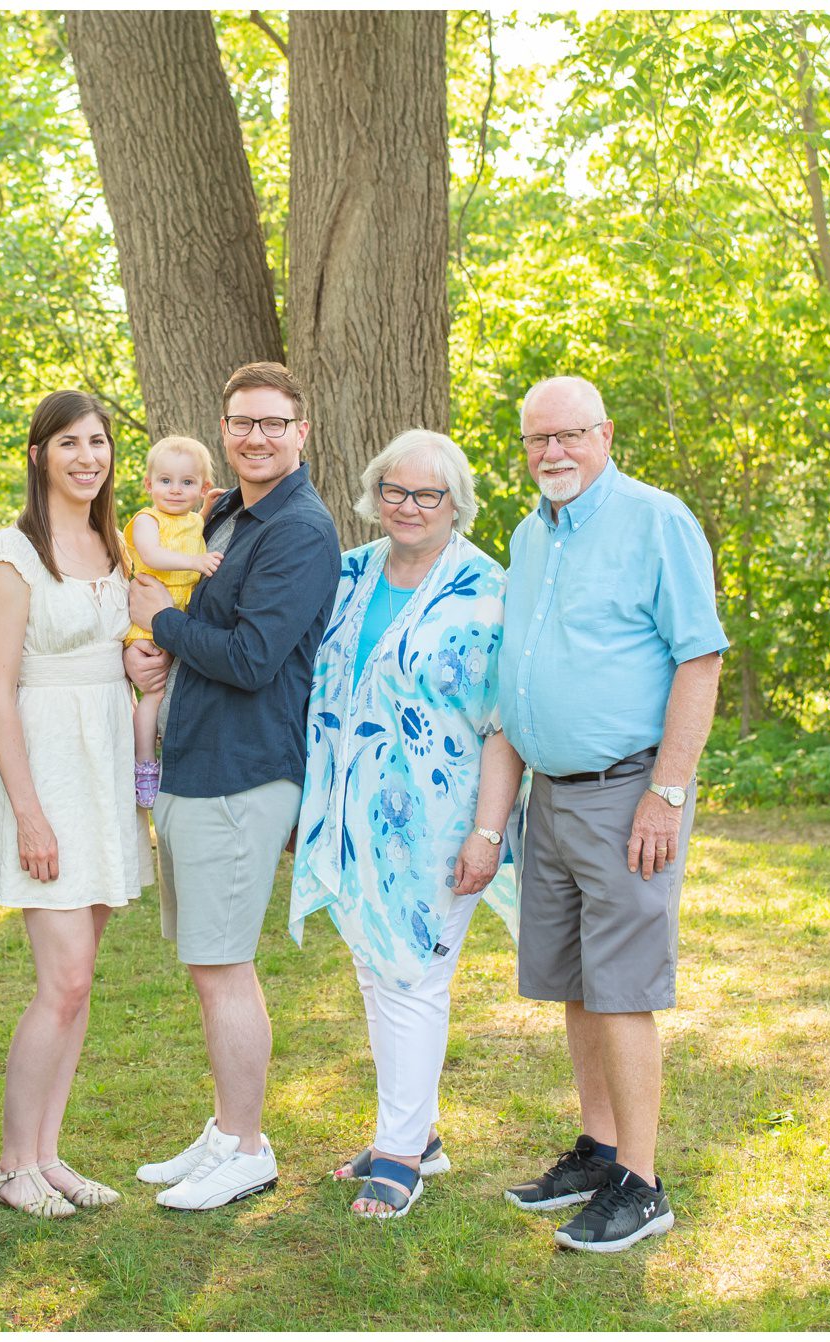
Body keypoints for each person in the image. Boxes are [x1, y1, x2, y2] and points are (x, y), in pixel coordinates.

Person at [496, 375, 726, 1253]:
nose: (552, 453)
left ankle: (642, 1181)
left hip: (629, 791)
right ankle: (598, 1149)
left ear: (606, 434)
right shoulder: (530, 533)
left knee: (623, 989)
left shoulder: (656, 520)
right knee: (576, 983)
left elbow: (698, 659)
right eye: (536, 440)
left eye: (570, 435)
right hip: (550, 796)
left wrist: (666, 792)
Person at [287, 428, 523, 1220]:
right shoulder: (350, 572)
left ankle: (399, 1159)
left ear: (456, 504)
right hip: (354, 815)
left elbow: (503, 723)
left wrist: (486, 833)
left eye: (427, 494)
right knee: (373, 966)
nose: (409, 506)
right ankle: (416, 1133)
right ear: (375, 495)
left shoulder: (487, 589)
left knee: (414, 975)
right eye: (395, 490)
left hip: (440, 820)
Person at [125, 361, 340, 1211]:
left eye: (272, 423)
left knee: (224, 965)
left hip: (243, 771)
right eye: (241, 422)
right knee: (206, 962)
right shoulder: (223, 515)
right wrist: (160, 645)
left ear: (301, 432)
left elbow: (253, 659)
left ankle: (248, 1147)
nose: (255, 435)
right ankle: (223, 1130)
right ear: (224, 432)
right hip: (194, 761)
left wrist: (161, 622)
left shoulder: (300, 530)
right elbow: (192, 619)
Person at [0, 389, 150, 1219]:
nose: (89, 457)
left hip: (107, 766)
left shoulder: (115, 546)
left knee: (82, 985)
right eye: (70, 443)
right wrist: (29, 813)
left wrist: (143, 669)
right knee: (63, 978)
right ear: (39, 453)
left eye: (100, 442)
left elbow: (122, 655)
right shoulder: (11, 553)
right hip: (44, 773)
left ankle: (48, 1154)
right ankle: (12, 1164)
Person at [123, 435, 224, 808]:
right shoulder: (147, 520)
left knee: (172, 691)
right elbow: (153, 553)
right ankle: (145, 763)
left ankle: (170, 757)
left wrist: (208, 511)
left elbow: (188, 532)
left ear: (202, 488)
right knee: (153, 694)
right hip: (150, 621)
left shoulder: (191, 522)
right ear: (149, 484)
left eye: (187, 483)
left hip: (179, 621)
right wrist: (197, 563)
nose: (175, 490)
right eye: (165, 481)